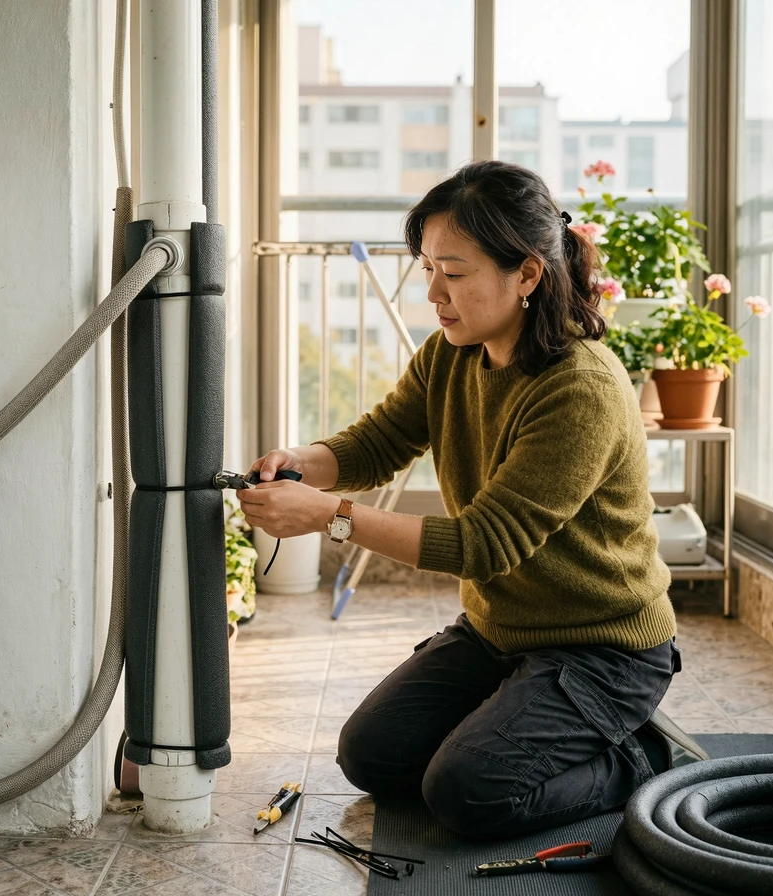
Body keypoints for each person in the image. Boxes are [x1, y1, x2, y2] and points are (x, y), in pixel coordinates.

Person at [236, 160, 706, 840]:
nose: (433, 292)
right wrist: (301, 464)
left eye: (453, 273)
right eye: (427, 268)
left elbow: (485, 544)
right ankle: (516, 712)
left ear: (527, 275)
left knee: (468, 794)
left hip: (604, 651)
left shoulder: (581, 388)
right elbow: (376, 444)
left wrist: (332, 519)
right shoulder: (451, 354)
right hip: (498, 634)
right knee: (369, 755)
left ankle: (641, 757)